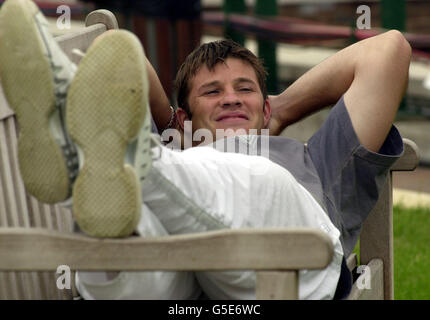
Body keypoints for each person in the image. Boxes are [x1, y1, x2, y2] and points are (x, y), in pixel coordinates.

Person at [0, 0, 410, 300]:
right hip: (182, 291)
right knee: (135, 239)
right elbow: (121, 53)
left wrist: (279, 109)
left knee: (261, 178)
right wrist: (172, 125)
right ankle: (124, 171)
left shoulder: (312, 158)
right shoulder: (178, 143)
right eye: (212, 93)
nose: (231, 99)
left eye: (245, 90)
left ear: (265, 107)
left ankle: (97, 158)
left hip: (293, 272)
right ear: (185, 119)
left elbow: (388, 50)